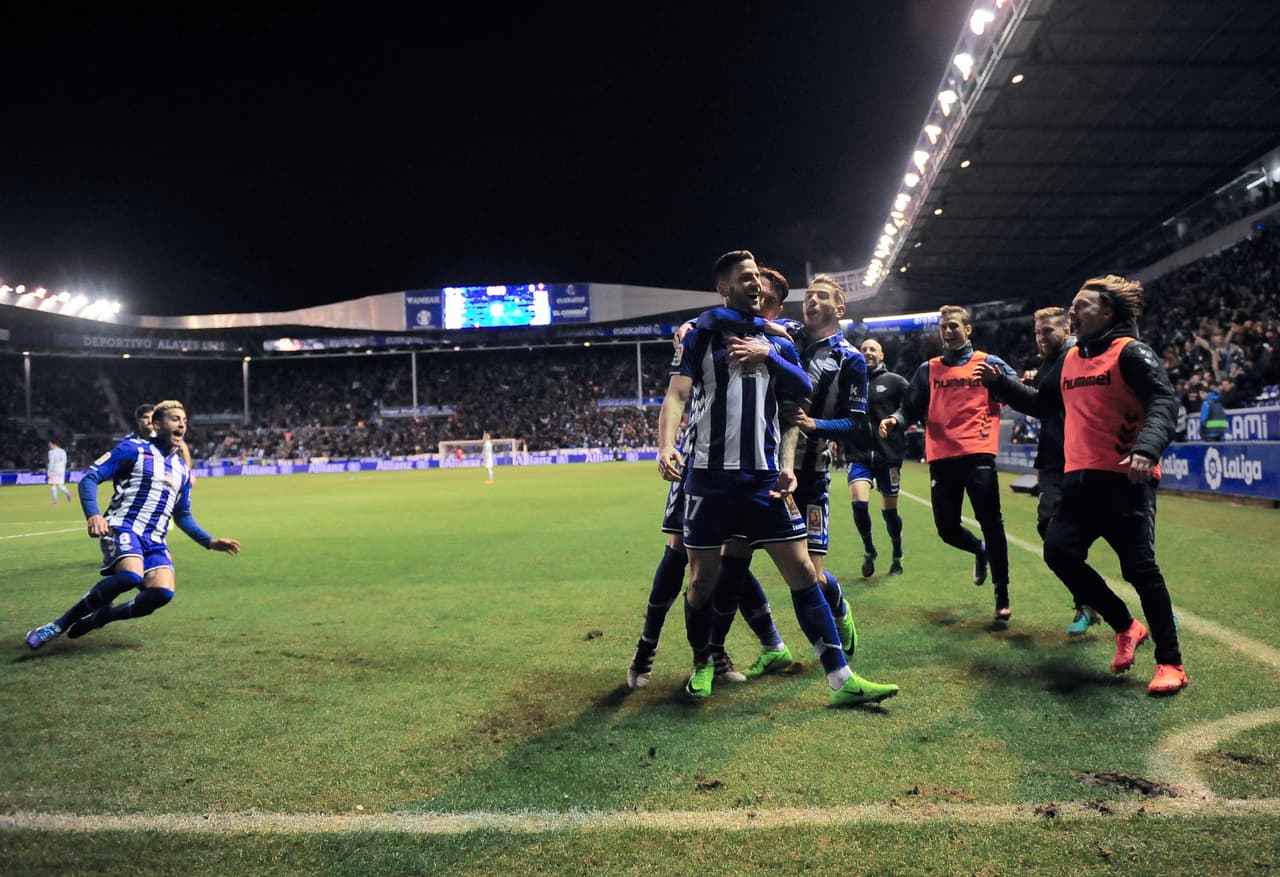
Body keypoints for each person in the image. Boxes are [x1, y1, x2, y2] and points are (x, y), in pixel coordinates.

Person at [658, 250, 897, 706]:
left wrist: (770, 354)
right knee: (702, 582)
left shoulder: (782, 343)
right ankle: (703, 663)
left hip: (766, 479)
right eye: (746, 278)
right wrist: (666, 443)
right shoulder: (702, 336)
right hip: (708, 480)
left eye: (757, 278)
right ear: (725, 288)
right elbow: (676, 396)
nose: (756, 284)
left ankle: (841, 678)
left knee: (805, 571)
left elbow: (802, 392)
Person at [626, 269, 798, 690]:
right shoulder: (706, 330)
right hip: (700, 465)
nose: (763, 303)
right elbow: (678, 391)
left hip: (754, 469)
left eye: (771, 299)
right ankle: (647, 648)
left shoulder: (782, 334)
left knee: (734, 557)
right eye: (756, 291)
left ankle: (717, 652)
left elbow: (796, 353)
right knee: (680, 553)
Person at [1041, 276, 1186, 695]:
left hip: (1126, 481)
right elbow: (1040, 403)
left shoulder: (1131, 352)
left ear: (1107, 313)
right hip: (1079, 483)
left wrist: (1147, 447)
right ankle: (1126, 625)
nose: (1073, 311)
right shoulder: (1069, 359)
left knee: (1140, 570)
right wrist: (999, 383)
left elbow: (1164, 400)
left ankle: (1171, 662)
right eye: (1072, 303)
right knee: (1059, 553)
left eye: (1082, 305)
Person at [25, 400, 241, 650]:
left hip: (155, 539)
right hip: (123, 527)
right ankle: (57, 625)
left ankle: (104, 616)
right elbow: (90, 478)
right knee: (130, 575)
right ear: (157, 424)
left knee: (162, 593)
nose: (182, 423)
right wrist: (93, 515)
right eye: (175, 419)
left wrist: (210, 541)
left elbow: (182, 515)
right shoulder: (133, 449)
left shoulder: (181, 469)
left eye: (184, 419)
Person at [880, 305, 1018, 624]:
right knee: (947, 528)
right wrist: (894, 419)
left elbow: (1019, 393)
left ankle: (1002, 594)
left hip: (979, 453)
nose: (948, 331)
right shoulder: (927, 370)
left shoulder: (989, 363)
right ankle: (979, 550)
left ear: (968, 329)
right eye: (943, 327)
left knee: (991, 522)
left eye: (954, 326)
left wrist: (1011, 384)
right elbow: (909, 408)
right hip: (942, 458)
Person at [975, 307, 1097, 636]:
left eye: (1047, 332)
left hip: (1081, 461)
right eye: (1037, 332)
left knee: (1119, 540)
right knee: (1051, 532)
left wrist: (1003, 383)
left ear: (1067, 329)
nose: (1041, 338)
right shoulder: (1053, 361)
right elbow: (1043, 402)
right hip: (1054, 463)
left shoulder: (1074, 356)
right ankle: (1086, 601)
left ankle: (1151, 608)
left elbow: (1040, 403)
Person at [848, 338, 909, 577]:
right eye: (863, 350)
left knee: (890, 512)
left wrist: (897, 420)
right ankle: (869, 549)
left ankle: (897, 554)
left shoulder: (895, 382)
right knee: (858, 503)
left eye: (872, 349)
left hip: (888, 457)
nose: (868, 352)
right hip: (860, 455)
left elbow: (911, 406)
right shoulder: (852, 382)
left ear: (881, 355)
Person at [46, 440, 73, 505]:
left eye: (50, 445)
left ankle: (55, 501)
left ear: (54, 444)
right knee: (60, 484)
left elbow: (51, 462)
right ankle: (68, 493)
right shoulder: (63, 451)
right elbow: (65, 461)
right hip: (62, 469)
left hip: (55, 468)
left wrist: (49, 471)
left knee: (53, 484)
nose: (49, 446)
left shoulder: (51, 452)